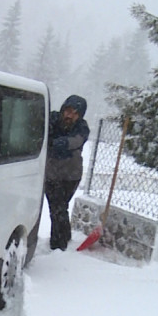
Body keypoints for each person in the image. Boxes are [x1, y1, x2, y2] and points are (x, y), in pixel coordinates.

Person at [45, 94, 90, 250]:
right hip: (52, 174)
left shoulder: (82, 128)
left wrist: (58, 143)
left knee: (60, 207)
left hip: (71, 176)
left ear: (80, 115)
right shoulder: (54, 120)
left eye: (75, 113)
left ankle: (60, 242)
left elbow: (76, 141)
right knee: (57, 208)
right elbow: (43, 127)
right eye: (68, 111)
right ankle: (61, 240)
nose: (70, 115)